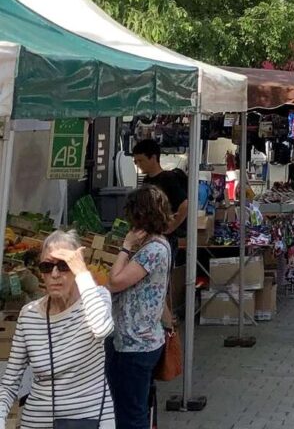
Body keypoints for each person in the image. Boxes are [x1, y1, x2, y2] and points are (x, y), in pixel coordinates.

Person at [0, 230, 114, 427]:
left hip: (89, 419)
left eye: (63, 265)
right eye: (47, 266)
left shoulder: (97, 298)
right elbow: (10, 382)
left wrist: (83, 273)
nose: (54, 274)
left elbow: (102, 328)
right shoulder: (29, 315)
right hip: (38, 421)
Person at [107, 185, 172, 429]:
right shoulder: (158, 244)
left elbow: (115, 282)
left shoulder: (152, 250)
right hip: (142, 340)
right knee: (134, 409)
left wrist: (125, 246)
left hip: (135, 343)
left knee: (130, 415)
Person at [132, 138, 188, 257]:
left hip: (165, 239)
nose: (138, 164)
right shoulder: (146, 180)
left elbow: (185, 205)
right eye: (136, 161)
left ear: (153, 158)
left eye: (141, 160)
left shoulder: (168, 179)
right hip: (150, 236)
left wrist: (170, 228)